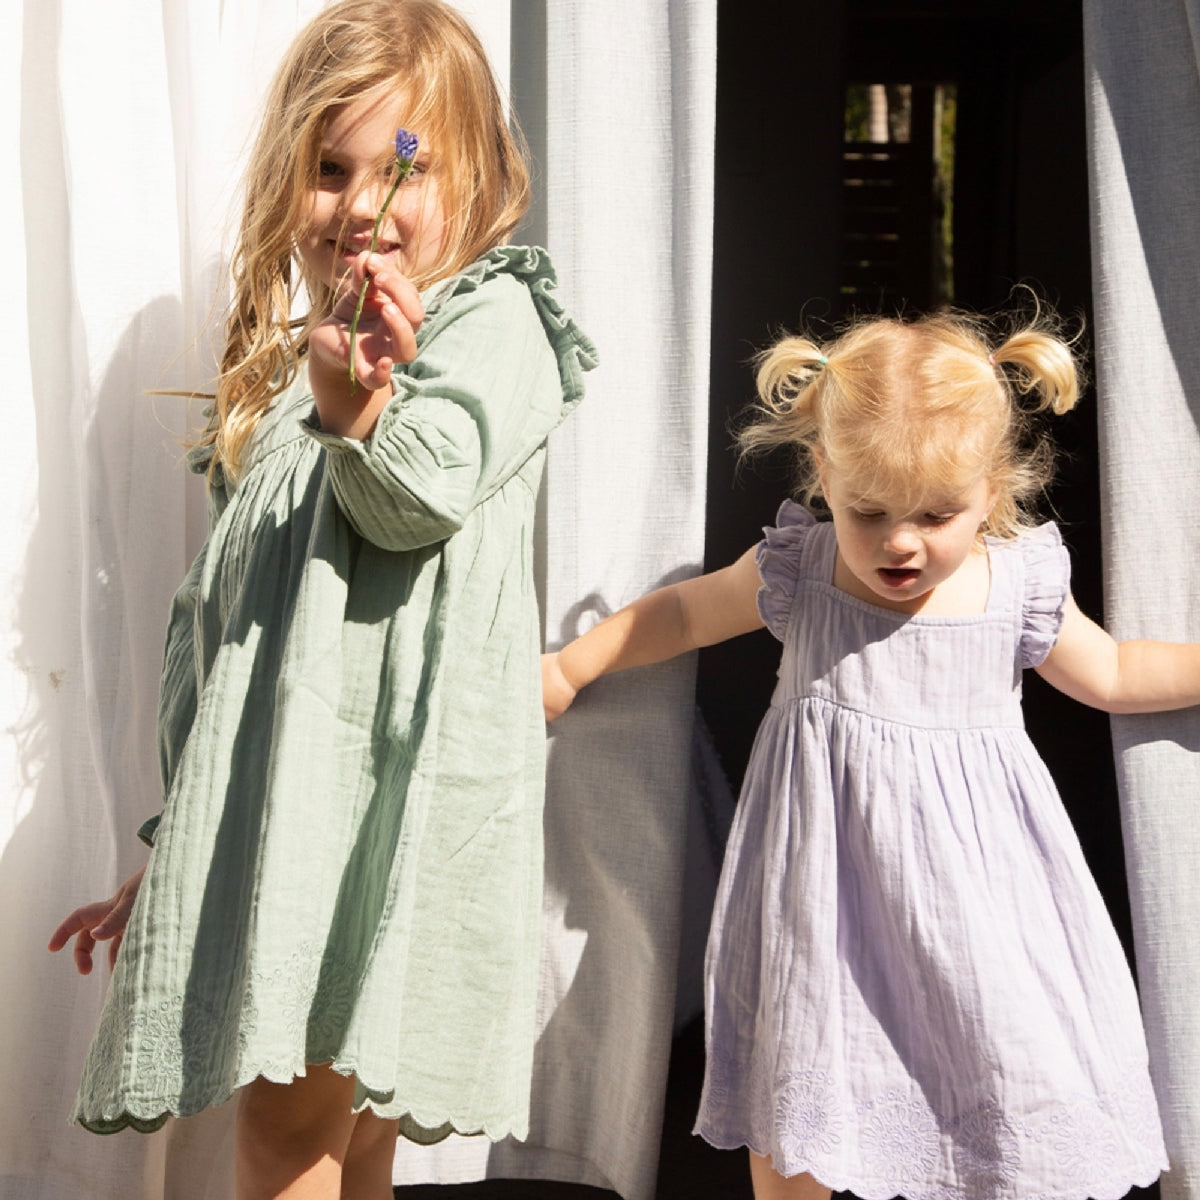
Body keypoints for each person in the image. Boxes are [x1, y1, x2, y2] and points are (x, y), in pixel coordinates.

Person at [47, 1, 596, 1196]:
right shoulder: (294, 385)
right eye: (327, 168)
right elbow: (228, 647)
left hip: (381, 815)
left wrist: (362, 414)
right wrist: (178, 843)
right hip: (287, 820)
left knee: (296, 1138)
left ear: (480, 177)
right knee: (329, 1147)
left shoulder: (490, 320)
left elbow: (424, 493)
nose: (361, 205)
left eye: (404, 166)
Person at [542, 308, 1190, 1200]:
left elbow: (1114, 671)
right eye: (869, 511)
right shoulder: (802, 571)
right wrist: (573, 665)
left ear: (993, 491)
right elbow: (685, 614)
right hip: (825, 910)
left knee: (1000, 1085)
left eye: (937, 513)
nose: (900, 542)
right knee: (801, 1100)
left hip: (978, 908)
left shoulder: (1017, 586)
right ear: (825, 477)